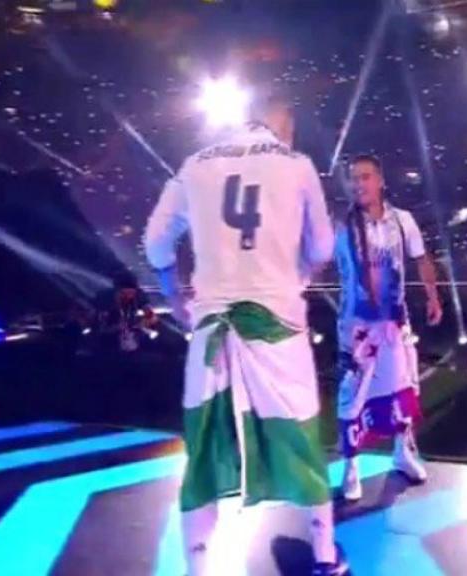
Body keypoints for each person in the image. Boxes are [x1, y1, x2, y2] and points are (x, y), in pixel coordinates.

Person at [143, 92, 348, 576]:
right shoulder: (296, 164)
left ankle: (198, 567)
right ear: (285, 128)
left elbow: (155, 244)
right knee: (300, 438)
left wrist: (175, 296)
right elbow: (321, 245)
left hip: (212, 326)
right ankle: (323, 558)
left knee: (203, 455)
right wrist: (293, 279)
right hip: (277, 326)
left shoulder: (194, 165)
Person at [334, 154, 443, 501]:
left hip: (394, 322)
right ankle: (351, 468)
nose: (358, 184)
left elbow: (422, 258)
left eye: (365, 177)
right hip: (357, 326)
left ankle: (403, 452)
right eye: (354, 178)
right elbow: (318, 256)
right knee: (353, 396)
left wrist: (432, 297)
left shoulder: (403, 221)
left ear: (380, 181)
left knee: (402, 388)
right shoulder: (343, 226)